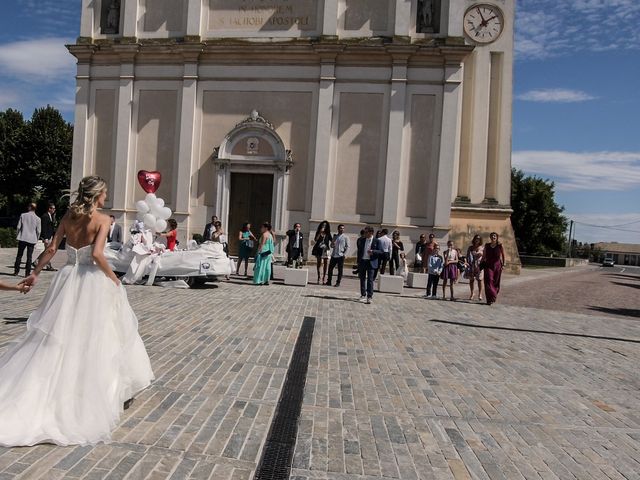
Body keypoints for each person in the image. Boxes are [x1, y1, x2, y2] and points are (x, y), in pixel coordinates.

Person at [0, 175, 153, 447]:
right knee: (98, 335)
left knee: (58, 335)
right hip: (91, 280)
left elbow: (51, 247)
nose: (106, 198)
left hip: (67, 277)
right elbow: (97, 254)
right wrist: (114, 279)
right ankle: (92, 393)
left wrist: (34, 273)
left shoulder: (69, 217)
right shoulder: (103, 220)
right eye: (104, 194)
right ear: (97, 196)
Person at [356, 226, 383, 304]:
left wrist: (373, 251)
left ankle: (369, 296)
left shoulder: (377, 241)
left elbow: (381, 251)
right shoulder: (362, 240)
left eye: (366, 232)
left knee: (370, 280)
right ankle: (363, 294)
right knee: (362, 279)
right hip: (363, 261)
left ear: (371, 233)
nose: (365, 233)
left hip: (371, 262)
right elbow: (359, 251)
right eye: (364, 232)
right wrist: (358, 261)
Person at [13, 203, 41, 277]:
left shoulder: (23, 215)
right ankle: (27, 273)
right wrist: (36, 239)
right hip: (32, 239)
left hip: (23, 237)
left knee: (19, 255)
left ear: (29, 207)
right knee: (29, 256)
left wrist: (17, 235)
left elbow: (18, 227)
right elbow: (38, 231)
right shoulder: (38, 218)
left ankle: (16, 271)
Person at [483, 232, 505, 305]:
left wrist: (503, 265)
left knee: (496, 282)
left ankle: (493, 297)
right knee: (488, 280)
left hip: (497, 265)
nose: (493, 237)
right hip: (488, 265)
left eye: (494, 236)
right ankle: (490, 298)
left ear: (497, 237)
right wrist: (480, 264)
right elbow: (484, 255)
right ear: (490, 237)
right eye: (492, 236)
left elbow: (503, 255)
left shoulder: (500, 245)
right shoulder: (487, 245)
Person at [38, 203, 57, 271]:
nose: (54, 210)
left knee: (47, 251)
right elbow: (44, 228)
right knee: (48, 251)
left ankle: (36, 261)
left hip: (50, 236)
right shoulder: (45, 216)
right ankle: (48, 266)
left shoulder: (51, 216)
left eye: (54, 209)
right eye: (53, 208)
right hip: (47, 237)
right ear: (49, 209)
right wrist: (45, 238)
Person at [466, 234, 484, 302]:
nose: (477, 240)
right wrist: (467, 263)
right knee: (471, 280)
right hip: (471, 265)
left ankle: (480, 294)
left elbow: (482, 254)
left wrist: (477, 254)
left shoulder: (482, 247)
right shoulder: (470, 247)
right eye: (476, 238)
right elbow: (467, 256)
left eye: (479, 239)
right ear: (474, 239)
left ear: (480, 240)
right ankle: (472, 293)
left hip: (479, 266)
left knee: (479, 280)